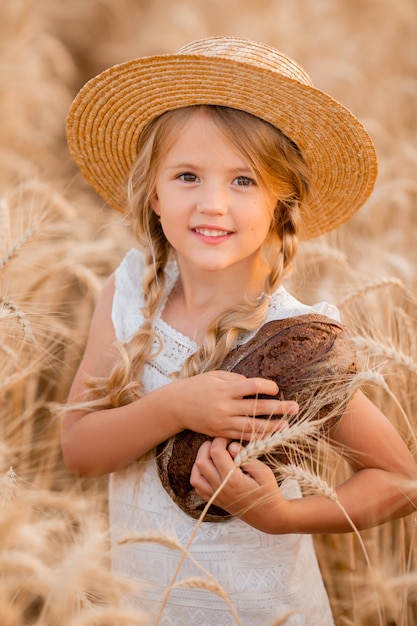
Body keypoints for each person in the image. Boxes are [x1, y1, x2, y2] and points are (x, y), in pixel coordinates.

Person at [61, 37, 417, 625]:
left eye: (244, 181)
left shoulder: (297, 339)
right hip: (142, 607)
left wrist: (281, 516)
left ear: (283, 201)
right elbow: (78, 451)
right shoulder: (128, 297)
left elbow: (400, 479)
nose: (212, 205)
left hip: (263, 611)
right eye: (187, 176)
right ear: (153, 192)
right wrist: (176, 406)